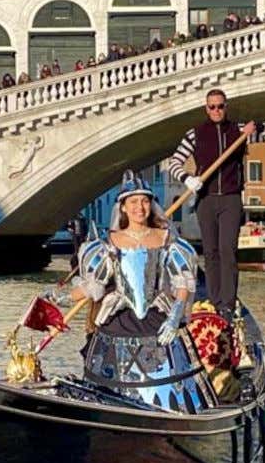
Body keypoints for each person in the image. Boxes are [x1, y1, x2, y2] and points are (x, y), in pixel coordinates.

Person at [44, 171, 213, 412]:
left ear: (151, 205)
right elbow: (92, 287)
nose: (139, 207)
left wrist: (175, 316)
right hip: (118, 325)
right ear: (123, 207)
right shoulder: (109, 243)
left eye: (144, 201)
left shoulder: (168, 240)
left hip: (158, 323)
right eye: (133, 202)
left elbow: (182, 284)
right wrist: (57, 297)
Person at [168, 89, 265, 321]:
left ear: (225, 107)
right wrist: (187, 178)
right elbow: (174, 162)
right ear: (206, 108)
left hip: (231, 198)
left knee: (228, 250)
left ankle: (227, 304)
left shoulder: (239, 131)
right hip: (206, 198)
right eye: (212, 107)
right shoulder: (195, 134)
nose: (216, 110)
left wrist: (257, 127)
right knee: (210, 252)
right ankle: (214, 300)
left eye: (220, 106)